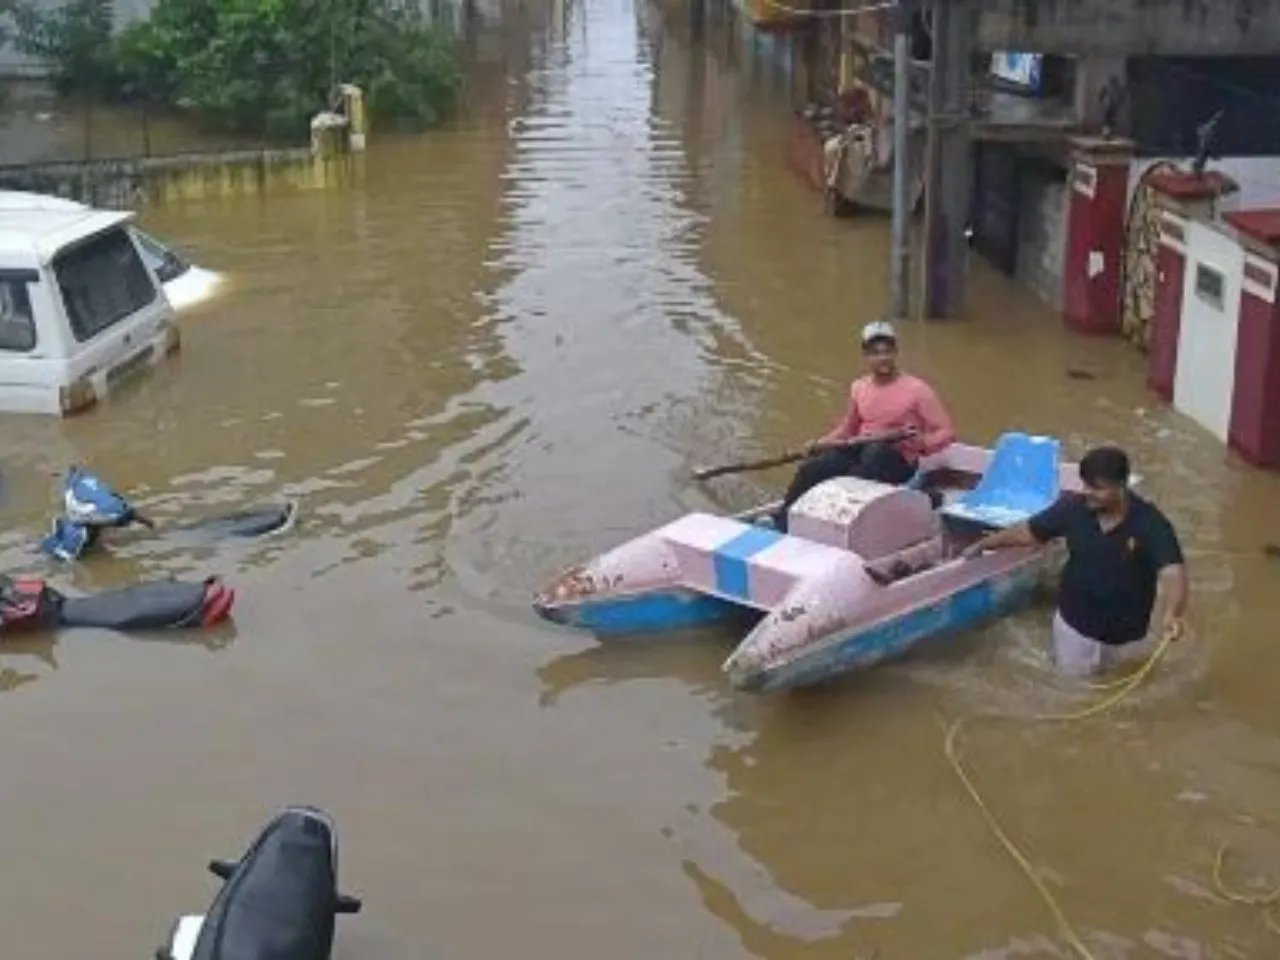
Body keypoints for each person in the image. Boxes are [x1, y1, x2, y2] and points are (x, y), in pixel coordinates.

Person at [962, 445, 1188, 676]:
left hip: (1128, 638)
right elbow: (1028, 532)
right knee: (1072, 692)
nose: (1087, 492)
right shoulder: (1073, 508)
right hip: (1075, 628)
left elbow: (1172, 571)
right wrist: (984, 544)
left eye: (1097, 487)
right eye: (1086, 484)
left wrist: (1172, 613)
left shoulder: (1151, 523)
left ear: (1121, 486)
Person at [773, 320, 956, 530]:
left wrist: (922, 442)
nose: (883, 358)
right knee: (813, 468)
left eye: (887, 351)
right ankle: (783, 520)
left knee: (872, 456)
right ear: (866, 356)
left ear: (896, 352)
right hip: (861, 449)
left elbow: (946, 432)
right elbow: (847, 429)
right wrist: (818, 444)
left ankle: (838, 523)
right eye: (876, 353)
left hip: (899, 461)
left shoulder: (918, 390)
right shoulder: (859, 387)